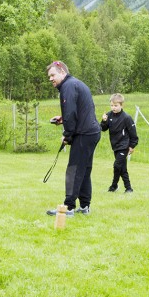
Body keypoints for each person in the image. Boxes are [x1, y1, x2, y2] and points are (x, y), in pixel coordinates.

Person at [46, 60, 101, 216]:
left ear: (62, 72)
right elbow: (76, 112)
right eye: (49, 76)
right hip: (91, 132)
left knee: (74, 170)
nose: (50, 79)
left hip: (84, 134)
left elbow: (71, 114)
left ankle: (68, 207)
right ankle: (84, 206)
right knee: (84, 170)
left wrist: (67, 135)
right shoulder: (74, 84)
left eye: (52, 75)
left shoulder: (68, 86)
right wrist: (63, 119)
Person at [100, 93, 138, 193]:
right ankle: (128, 188)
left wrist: (132, 145)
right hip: (115, 146)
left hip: (124, 145)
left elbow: (133, 133)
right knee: (122, 168)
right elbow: (103, 129)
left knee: (117, 165)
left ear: (121, 105)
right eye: (112, 105)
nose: (113, 108)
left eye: (116, 105)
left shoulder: (126, 118)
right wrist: (103, 121)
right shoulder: (108, 115)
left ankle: (114, 185)